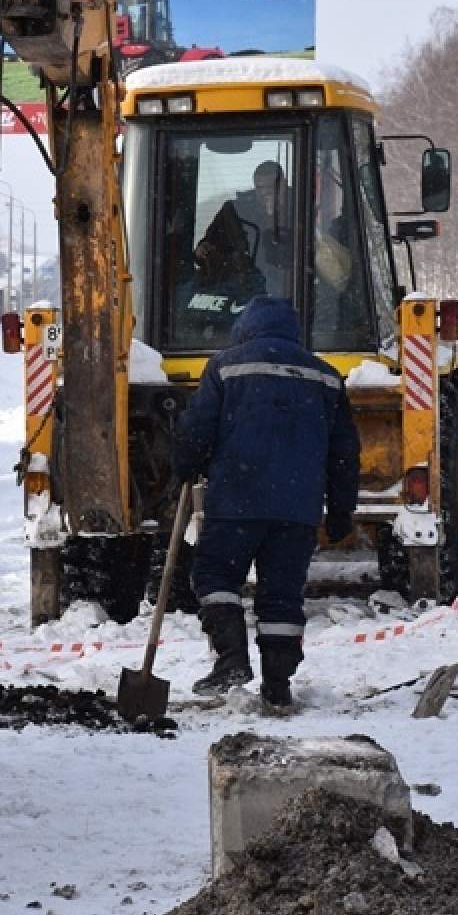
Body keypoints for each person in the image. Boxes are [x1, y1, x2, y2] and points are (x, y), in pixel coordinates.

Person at [172, 295, 361, 709]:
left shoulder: (225, 366)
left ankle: (231, 660)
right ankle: (278, 684)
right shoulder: (326, 376)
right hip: (297, 511)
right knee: (281, 597)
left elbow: (198, 427)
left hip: (236, 501)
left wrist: (184, 465)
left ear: (247, 327)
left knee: (215, 577)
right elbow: (344, 451)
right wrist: (342, 508)